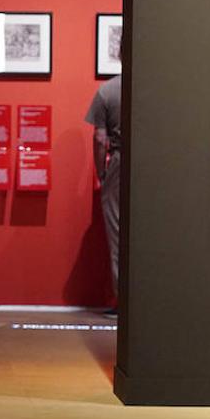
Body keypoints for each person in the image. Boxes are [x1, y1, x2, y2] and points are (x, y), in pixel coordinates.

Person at [86, 75, 122, 317]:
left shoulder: (107, 91)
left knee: (118, 235)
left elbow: (100, 139)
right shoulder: (153, 86)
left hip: (119, 165)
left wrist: (102, 172)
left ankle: (123, 302)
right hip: (154, 166)